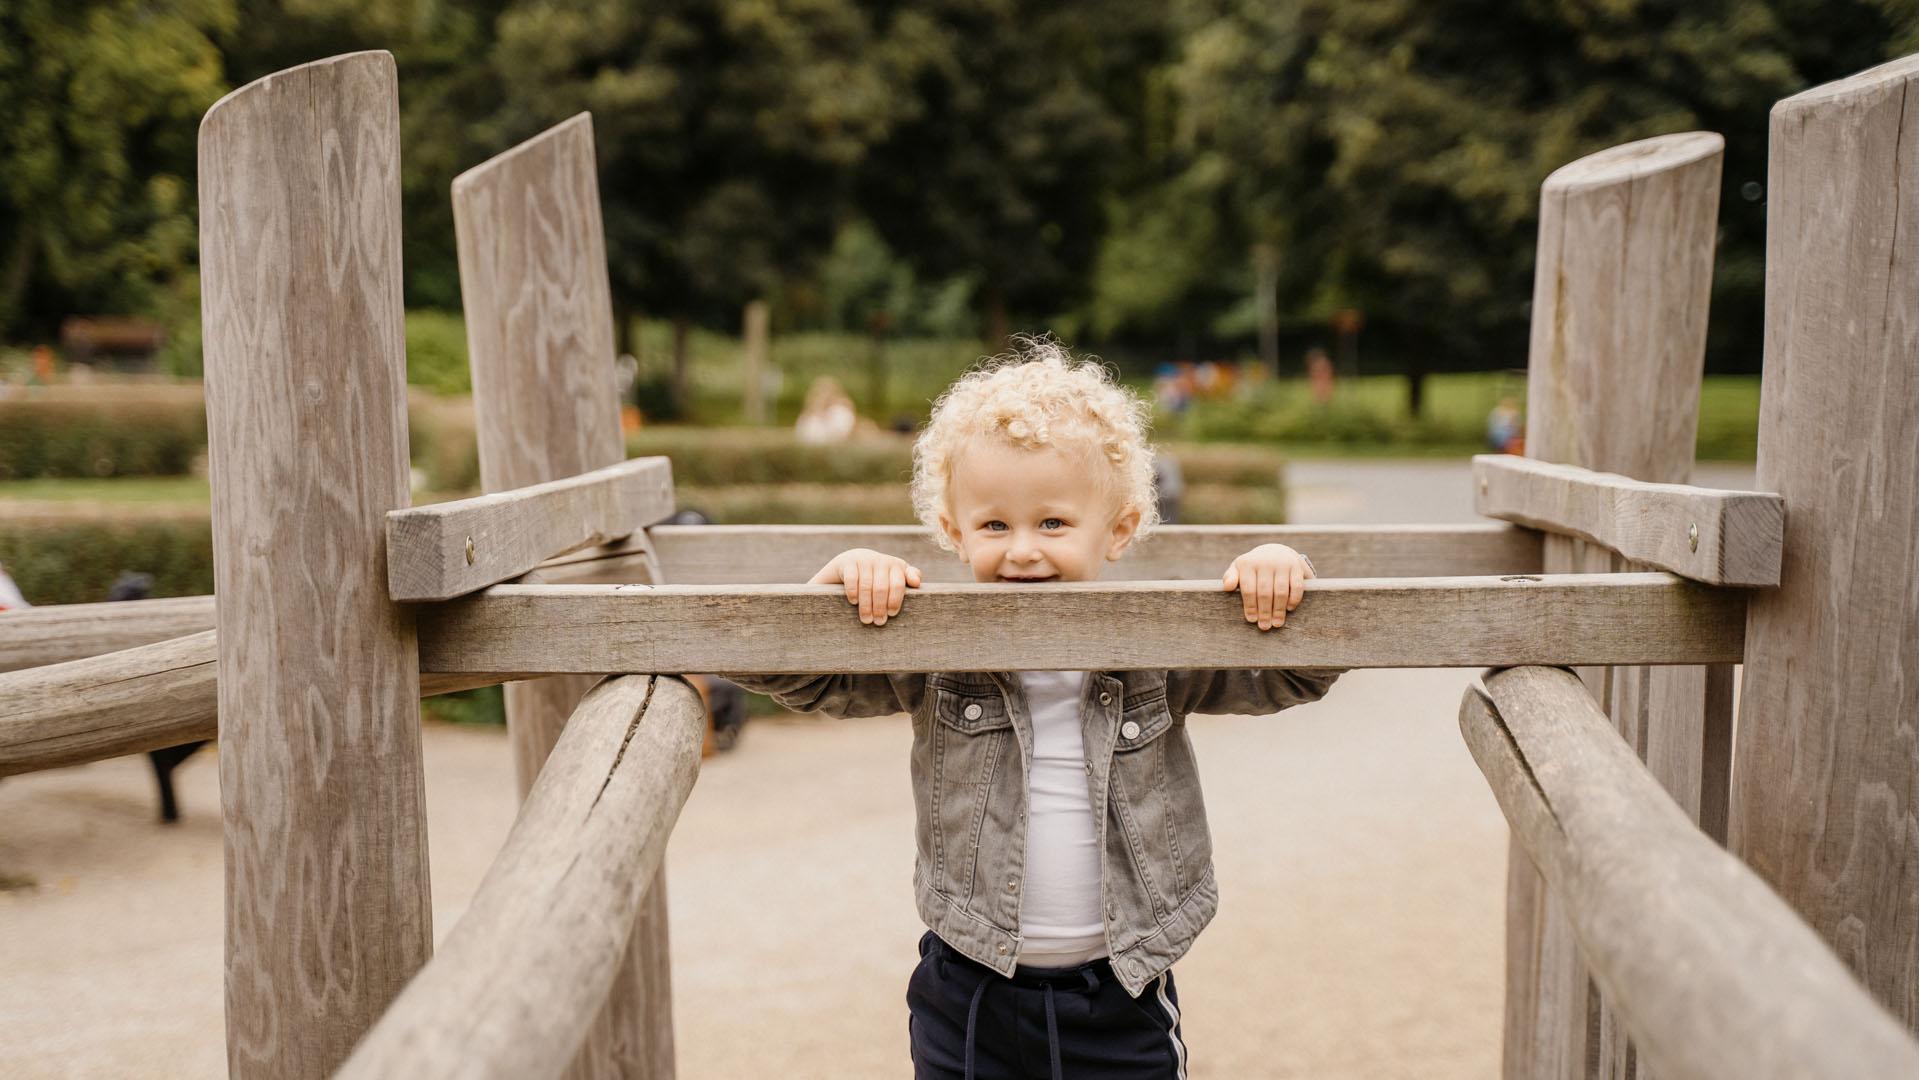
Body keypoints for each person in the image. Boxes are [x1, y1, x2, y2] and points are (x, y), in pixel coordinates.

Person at [725, 337, 1341, 1079]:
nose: (1021, 551)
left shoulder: (1156, 646)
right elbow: (802, 680)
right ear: (952, 532)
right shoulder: (937, 648)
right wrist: (829, 597)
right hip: (969, 986)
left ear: (1116, 530)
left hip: (1122, 988)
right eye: (993, 526)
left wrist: (1283, 578)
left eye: (1052, 523)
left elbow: (1294, 675)